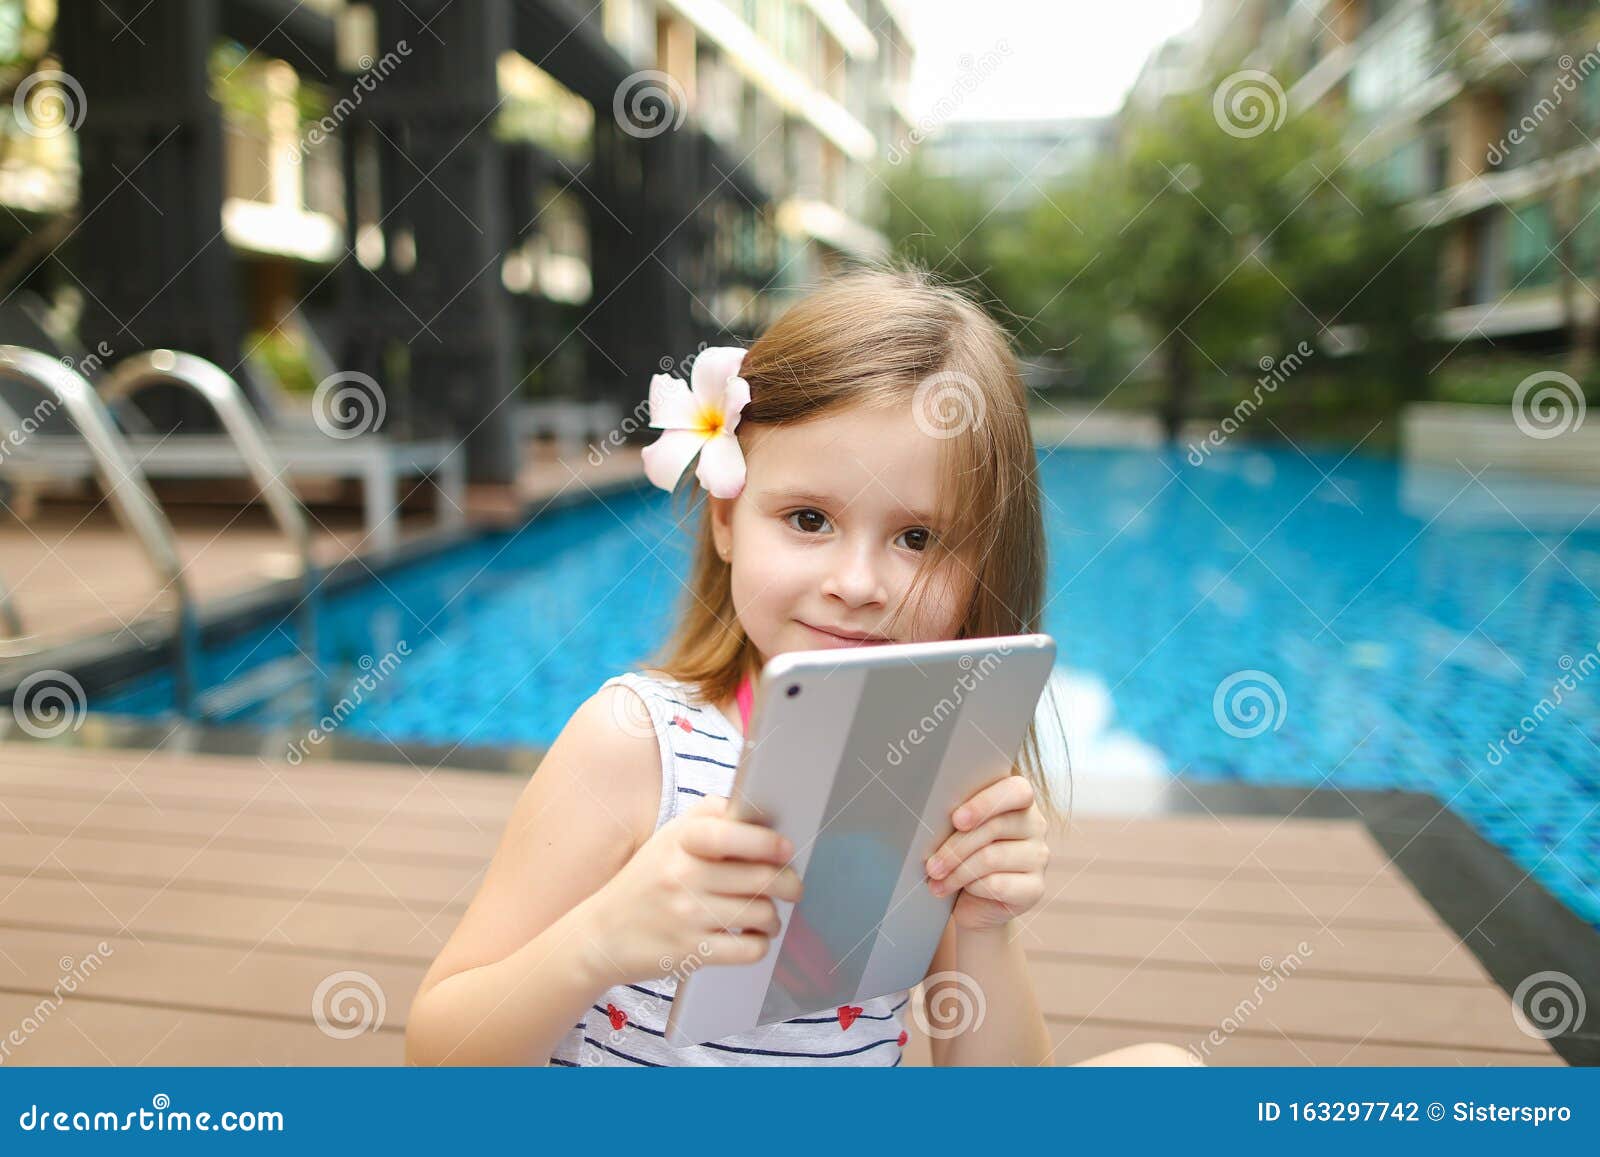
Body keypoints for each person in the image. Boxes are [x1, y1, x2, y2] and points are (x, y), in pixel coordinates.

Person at [406, 264, 1196, 1068]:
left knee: (1169, 1073)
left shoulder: (937, 764)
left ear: (985, 564)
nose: (856, 584)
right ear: (726, 521)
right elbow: (439, 1057)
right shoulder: (637, 745)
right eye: (809, 518)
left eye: (917, 537)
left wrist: (986, 924)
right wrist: (599, 941)